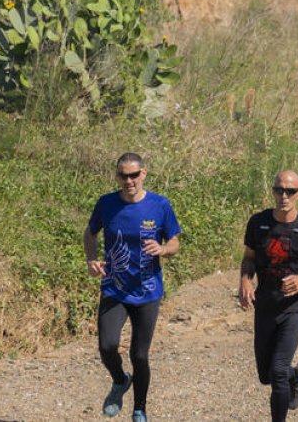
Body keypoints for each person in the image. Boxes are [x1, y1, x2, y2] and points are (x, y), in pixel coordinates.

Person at [85, 153, 181, 422]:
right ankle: (119, 381)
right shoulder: (107, 204)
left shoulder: (159, 205)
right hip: (114, 288)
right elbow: (90, 233)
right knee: (107, 346)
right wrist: (91, 259)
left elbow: (175, 242)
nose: (129, 181)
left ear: (144, 174)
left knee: (139, 354)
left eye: (133, 175)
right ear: (118, 176)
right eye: (123, 175)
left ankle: (140, 408)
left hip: (147, 291)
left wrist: (163, 248)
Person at [239, 170, 298, 422]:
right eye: (279, 190)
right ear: (272, 191)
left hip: (296, 306)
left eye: (290, 191)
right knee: (266, 375)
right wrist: (245, 281)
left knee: (278, 370)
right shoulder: (258, 223)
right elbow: (249, 258)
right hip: (266, 303)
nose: (284, 196)